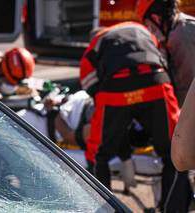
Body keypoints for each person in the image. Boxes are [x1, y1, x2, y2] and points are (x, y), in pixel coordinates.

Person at [80, 21, 192, 212]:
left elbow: (91, 87)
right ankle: (171, 209)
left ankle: (102, 209)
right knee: (175, 153)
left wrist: (119, 123)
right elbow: (162, 60)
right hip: (156, 83)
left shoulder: (95, 44)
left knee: (98, 155)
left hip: (116, 89)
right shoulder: (140, 29)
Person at [136, 0, 195, 106]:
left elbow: (188, 89)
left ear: (156, 19)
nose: (150, 31)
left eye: (148, 25)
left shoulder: (180, 36)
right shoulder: (178, 29)